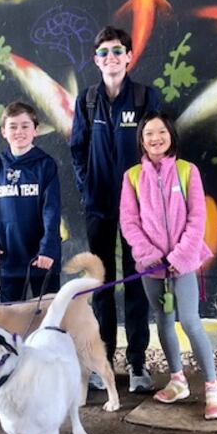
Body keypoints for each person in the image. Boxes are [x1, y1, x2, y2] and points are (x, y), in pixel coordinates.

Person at [119, 111, 217, 419]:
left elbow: (197, 218)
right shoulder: (132, 177)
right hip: (150, 266)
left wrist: (179, 257)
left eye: (161, 133)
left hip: (185, 264)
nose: (155, 138)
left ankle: (212, 388)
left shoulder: (187, 171)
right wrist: (149, 254)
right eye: (149, 134)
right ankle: (177, 380)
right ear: (141, 140)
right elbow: (129, 222)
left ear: (170, 136)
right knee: (163, 319)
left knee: (191, 321)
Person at [70, 26, 160, 392]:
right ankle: (102, 364)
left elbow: (158, 146)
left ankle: (137, 364)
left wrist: (149, 195)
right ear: (96, 60)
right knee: (101, 286)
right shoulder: (87, 101)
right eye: (103, 52)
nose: (111, 58)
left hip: (138, 210)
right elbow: (77, 149)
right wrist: (87, 187)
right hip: (100, 208)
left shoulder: (144, 98)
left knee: (137, 285)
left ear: (129, 57)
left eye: (117, 51)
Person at [0, 101, 61, 302]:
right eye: (13, 126)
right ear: (3, 131)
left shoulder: (46, 164)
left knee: (46, 322)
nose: (19, 131)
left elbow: (51, 212)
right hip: (8, 259)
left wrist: (48, 249)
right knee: (10, 324)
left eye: (25, 126)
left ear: (36, 130)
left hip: (41, 259)